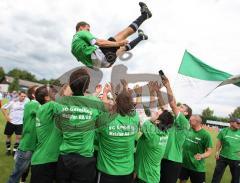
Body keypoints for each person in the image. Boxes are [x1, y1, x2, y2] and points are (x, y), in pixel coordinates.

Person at [56, 68, 107, 183]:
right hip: (84, 159)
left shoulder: (61, 102)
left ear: (70, 84)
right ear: (87, 86)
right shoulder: (95, 102)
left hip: (65, 158)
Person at [72, 2, 151, 68]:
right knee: (123, 34)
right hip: (103, 56)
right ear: (81, 28)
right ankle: (145, 15)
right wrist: (117, 43)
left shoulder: (73, 49)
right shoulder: (81, 33)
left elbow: (86, 62)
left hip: (106, 64)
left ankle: (141, 37)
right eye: (87, 29)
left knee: (123, 49)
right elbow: (100, 42)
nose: (88, 31)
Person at [96, 81, 139, 183]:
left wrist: (106, 93)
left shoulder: (105, 121)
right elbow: (125, 105)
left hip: (107, 172)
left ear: (116, 104)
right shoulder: (135, 119)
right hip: (126, 172)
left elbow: (105, 108)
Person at [134, 81, 174, 183]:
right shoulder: (164, 131)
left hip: (145, 178)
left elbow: (140, 112)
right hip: (151, 177)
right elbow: (153, 111)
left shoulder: (151, 132)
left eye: (157, 113)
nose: (155, 111)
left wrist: (139, 93)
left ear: (157, 121)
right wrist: (153, 93)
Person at [159, 76, 192, 183]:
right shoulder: (172, 120)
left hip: (173, 161)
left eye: (182, 107)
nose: (178, 107)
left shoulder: (184, 123)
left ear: (186, 113)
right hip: (162, 157)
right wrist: (157, 91)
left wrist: (167, 85)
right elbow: (163, 106)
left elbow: (172, 104)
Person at [30, 85, 62, 183]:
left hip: (43, 160)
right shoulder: (51, 105)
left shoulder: (42, 108)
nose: (54, 92)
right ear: (47, 97)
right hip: (45, 162)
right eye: (51, 91)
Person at [7, 86, 39, 183]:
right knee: (15, 175)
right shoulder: (33, 104)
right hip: (27, 146)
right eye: (39, 90)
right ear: (34, 95)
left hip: (35, 146)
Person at [179, 115, 213, 183]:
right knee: (182, 181)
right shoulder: (187, 130)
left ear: (197, 122)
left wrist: (201, 155)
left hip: (197, 167)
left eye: (191, 120)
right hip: (184, 164)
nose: (189, 121)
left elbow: (209, 151)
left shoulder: (205, 135)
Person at [211, 118, 240, 183]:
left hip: (236, 159)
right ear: (231, 123)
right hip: (222, 157)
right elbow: (219, 142)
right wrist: (217, 152)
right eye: (238, 123)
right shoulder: (224, 131)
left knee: (236, 178)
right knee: (217, 175)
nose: (239, 125)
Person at [1, 91, 27, 156]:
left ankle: (14, 151)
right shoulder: (13, 102)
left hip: (20, 123)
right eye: (22, 96)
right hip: (11, 122)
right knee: (8, 136)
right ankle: (8, 150)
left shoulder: (26, 103)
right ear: (19, 95)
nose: (23, 97)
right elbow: (3, 108)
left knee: (19, 137)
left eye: (24, 96)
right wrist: (7, 117)